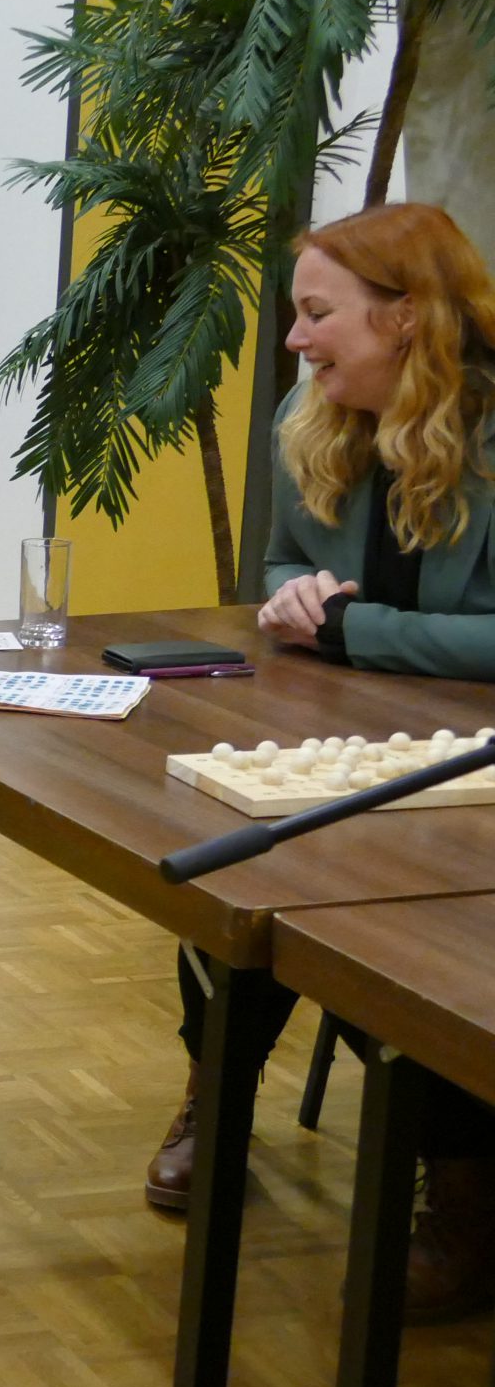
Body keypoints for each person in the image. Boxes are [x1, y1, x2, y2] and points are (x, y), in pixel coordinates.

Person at [148, 201, 495, 1318]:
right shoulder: (315, 420)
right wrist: (294, 598)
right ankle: (217, 1092)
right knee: (237, 864)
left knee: (410, 924)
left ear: (406, 317)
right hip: (347, 727)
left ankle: (467, 1192)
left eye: (315, 313)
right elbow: (280, 568)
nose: (294, 340)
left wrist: (352, 629)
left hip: (476, 773)